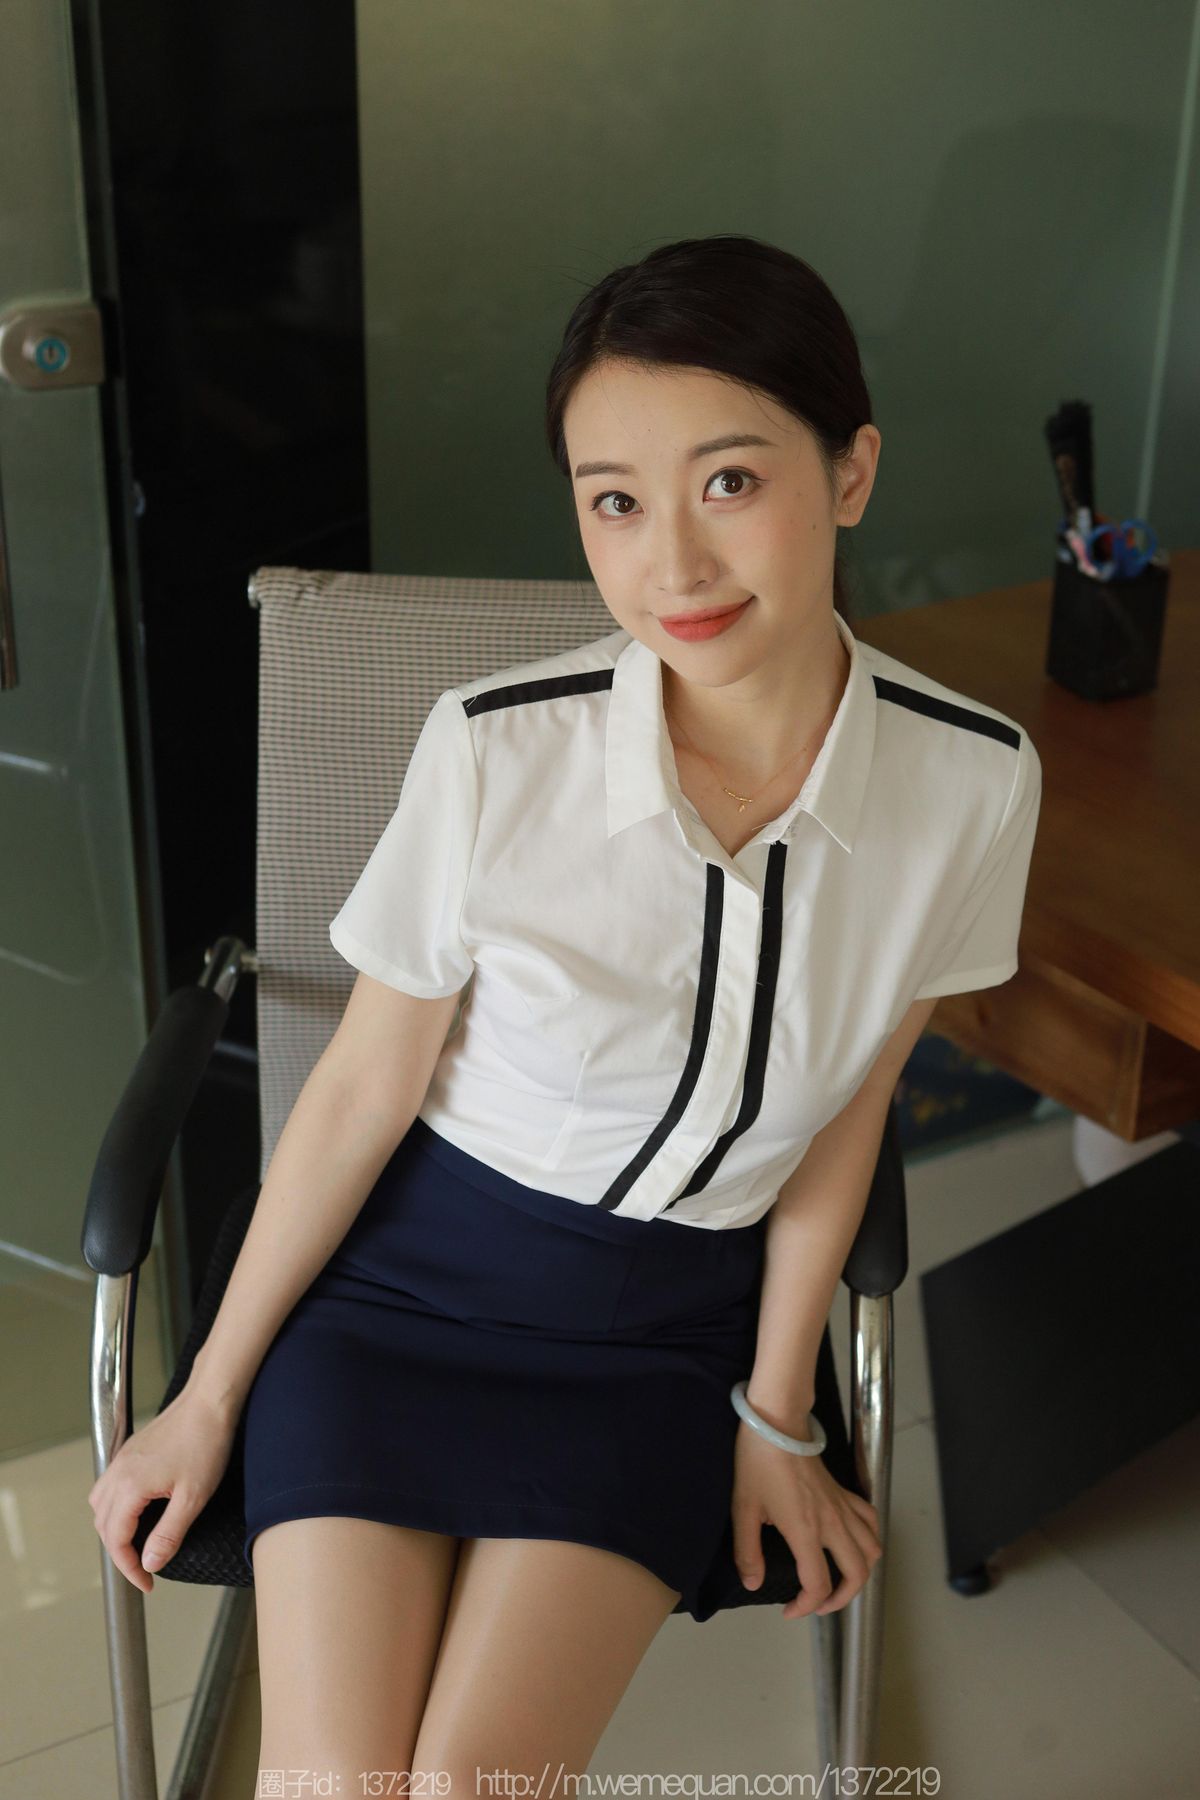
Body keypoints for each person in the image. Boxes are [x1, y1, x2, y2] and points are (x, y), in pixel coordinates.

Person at [88, 234, 1041, 1791]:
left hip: (664, 1331)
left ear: (852, 473)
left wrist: (776, 1416)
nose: (673, 564)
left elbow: (851, 1111)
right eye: (615, 500)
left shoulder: (975, 785)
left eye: (729, 481)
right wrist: (206, 1399)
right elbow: (359, 1094)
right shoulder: (492, 750)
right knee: (332, 1783)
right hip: (401, 1288)